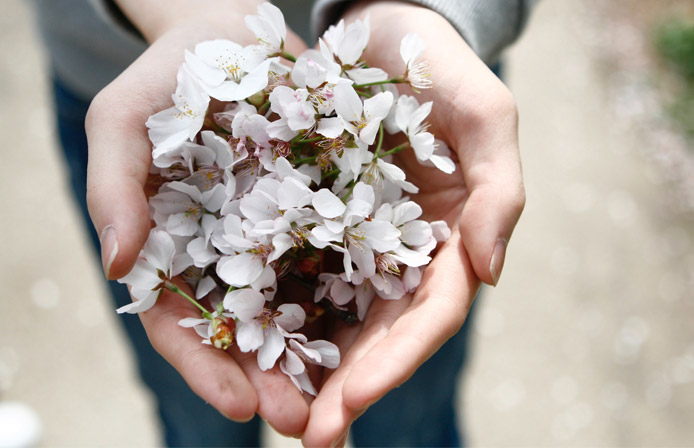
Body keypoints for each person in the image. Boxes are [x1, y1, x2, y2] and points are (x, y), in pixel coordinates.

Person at [32, 0, 531, 445]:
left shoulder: (365, 132)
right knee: (200, 422)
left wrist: (430, 11)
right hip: (118, 69)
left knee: (410, 420)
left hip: (386, 53)